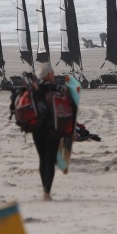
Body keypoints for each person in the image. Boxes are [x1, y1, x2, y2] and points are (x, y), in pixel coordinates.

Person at [29, 62, 77, 201]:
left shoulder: (34, 90)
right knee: (50, 160)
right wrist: (71, 130)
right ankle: (46, 193)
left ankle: (45, 190)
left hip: (36, 129)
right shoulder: (59, 89)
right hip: (54, 129)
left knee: (42, 159)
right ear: (49, 75)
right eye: (53, 73)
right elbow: (72, 109)